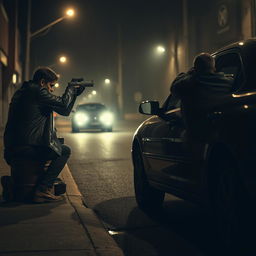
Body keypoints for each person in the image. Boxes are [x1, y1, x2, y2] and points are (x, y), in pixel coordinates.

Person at [3, 67, 85, 203]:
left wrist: (74, 94)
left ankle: (13, 184)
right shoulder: (37, 91)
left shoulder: (24, 92)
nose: (52, 89)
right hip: (28, 146)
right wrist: (70, 88)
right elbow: (64, 105)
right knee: (64, 151)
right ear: (42, 82)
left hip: (13, 146)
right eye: (51, 85)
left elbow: (64, 110)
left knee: (58, 147)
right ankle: (43, 189)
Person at [170, 52, 233, 141]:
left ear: (195, 69)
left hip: (196, 134)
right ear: (214, 67)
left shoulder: (189, 83)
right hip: (221, 132)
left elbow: (173, 88)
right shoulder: (228, 82)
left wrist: (188, 74)